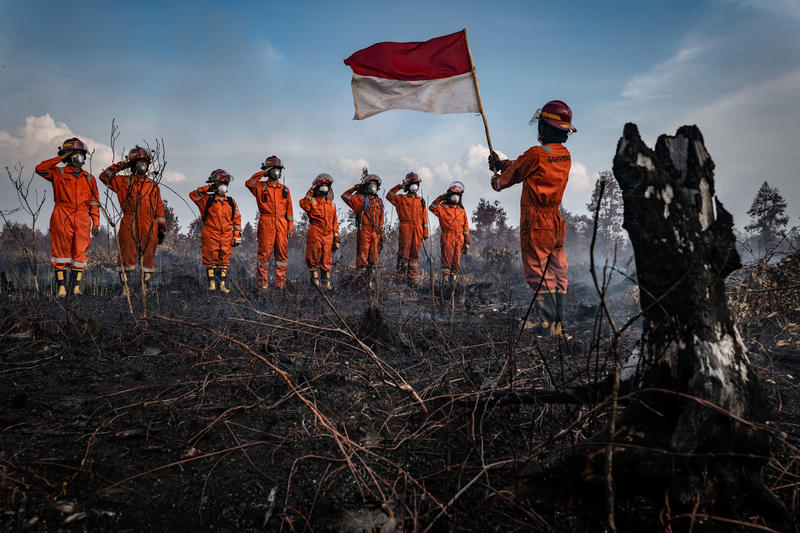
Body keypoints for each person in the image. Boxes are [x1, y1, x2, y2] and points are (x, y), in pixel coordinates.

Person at [488, 99, 576, 336]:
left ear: (544, 128)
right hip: (555, 220)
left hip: (536, 221)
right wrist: (503, 163)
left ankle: (546, 325)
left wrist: (496, 176)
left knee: (537, 271)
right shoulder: (564, 155)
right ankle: (557, 324)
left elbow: (508, 179)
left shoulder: (536, 154)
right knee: (558, 270)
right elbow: (523, 166)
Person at [35, 137, 100, 297]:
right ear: (67, 155)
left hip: (83, 219)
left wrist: (96, 221)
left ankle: (75, 289)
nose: (78, 156)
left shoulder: (89, 178)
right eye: (74, 153)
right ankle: (62, 289)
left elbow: (94, 202)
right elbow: (40, 168)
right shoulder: (58, 172)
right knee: (60, 253)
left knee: (79, 254)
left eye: (81, 153)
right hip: (62, 216)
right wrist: (60, 158)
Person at [100, 146, 166, 294]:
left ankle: (145, 288)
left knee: (148, 256)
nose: (142, 165)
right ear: (132, 165)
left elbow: (159, 208)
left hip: (150, 225)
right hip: (129, 222)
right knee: (126, 256)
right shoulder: (123, 182)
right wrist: (123, 164)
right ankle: (126, 289)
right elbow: (104, 176)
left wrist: (161, 229)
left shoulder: (153, 185)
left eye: (144, 162)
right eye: (138, 161)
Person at [189, 169, 242, 293]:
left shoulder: (231, 201)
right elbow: (193, 195)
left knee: (224, 260)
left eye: (225, 182)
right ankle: (212, 285)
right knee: (210, 259)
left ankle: (222, 285)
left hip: (227, 235)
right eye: (220, 182)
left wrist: (236, 235)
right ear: (215, 184)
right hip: (211, 233)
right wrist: (209, 187)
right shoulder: (207, 199)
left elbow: (237, 219)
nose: (224, 185)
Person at [245, 155, 293, 289]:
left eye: (278, 169)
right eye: (274, 169)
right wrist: (263, 173)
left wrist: (290, 227)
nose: (276, 172)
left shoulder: (285, 190)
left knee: (282, 256)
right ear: (268, 170)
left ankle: (280, 286)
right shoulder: (260, 187)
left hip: (282, 224)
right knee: (264, 255)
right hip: (267, 223)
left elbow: (289, 210)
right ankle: (262, 286)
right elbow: (249, 183)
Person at [341, 172, 384, 287]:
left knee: (374, 259)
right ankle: (361, 282)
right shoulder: (360, 199)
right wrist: (356, 187)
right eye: (371, 184)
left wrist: (382, 236)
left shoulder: (379, 202)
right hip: (364, 231)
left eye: (375, 184)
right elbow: (345, 196)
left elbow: (381, 221)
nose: (373, 186)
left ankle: (371, 283)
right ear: (366, 186)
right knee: (362, 258)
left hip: (376, 233)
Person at [387, 172, 430, 287]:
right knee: (403, 254)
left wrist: (425, 233)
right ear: (407, 185)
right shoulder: (401, 198)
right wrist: (400, 186)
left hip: (418, 230)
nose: (414, 186)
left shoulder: (421, 200)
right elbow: (389, 195)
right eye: (412, 184)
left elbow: (424, 218)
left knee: (414, 256)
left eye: (416, 183)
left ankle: (413, 280)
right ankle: (400, 279)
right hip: (405, 229)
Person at [299, 173, 340, 289]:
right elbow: (303, 204)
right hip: (316, 231)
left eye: (326, 186)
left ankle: (326, 284)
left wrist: (336, 237)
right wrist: (311, 189)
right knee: (313, 256)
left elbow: (335, 222)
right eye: (321, 185)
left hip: (328, 234)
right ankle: (314, 283)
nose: (324, 188)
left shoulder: (332, 204)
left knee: (326, 259)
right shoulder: (312, 201)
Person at [429, 181, 470, 285]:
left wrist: (467, 242)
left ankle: (454, 282)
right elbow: (432, 207)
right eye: (453, 195)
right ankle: (445, 282)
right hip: (448, 236)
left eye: (458, 195)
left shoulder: (462, 210)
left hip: (459, 238)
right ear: (449, 195)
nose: (455, 197)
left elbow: (466, 228)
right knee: (447, 259)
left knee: (456, 260)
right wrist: (442, 197)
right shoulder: (442, 208)